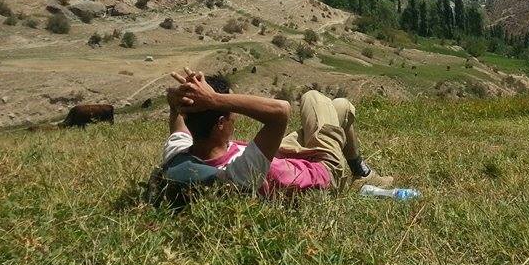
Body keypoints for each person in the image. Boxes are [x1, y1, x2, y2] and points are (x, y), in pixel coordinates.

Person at [162, 68, 391, 195]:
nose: (235, 118)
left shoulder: (179, 154)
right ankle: (358, 173)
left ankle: (362, 172)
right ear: (221, 123)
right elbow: (280, 111)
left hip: (283, 154)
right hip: (323, 173)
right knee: (326, 101)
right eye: (232, 114)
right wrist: (214, 99)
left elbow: (178, 126)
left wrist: (177, 104)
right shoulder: (238, 173)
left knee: (337, 108)